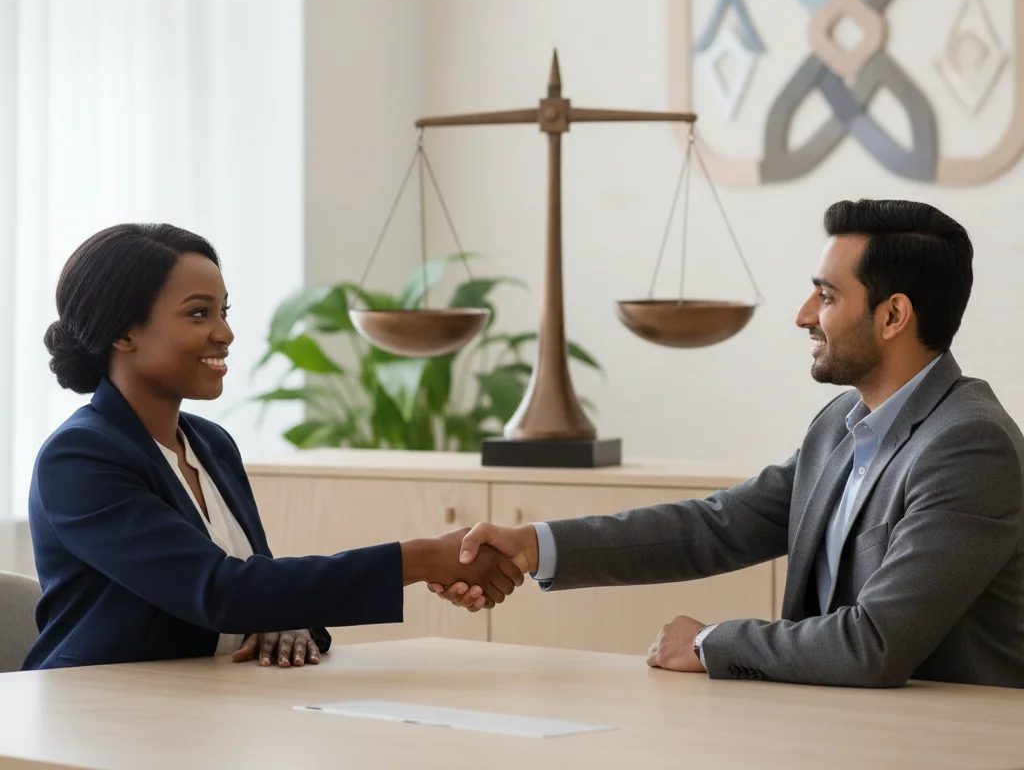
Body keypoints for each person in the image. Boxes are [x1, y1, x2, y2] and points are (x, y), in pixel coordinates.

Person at [432, 199, 1024, 688]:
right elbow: (718, 526)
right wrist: (536, 545)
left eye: (826, 296)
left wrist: (707, 641)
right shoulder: (843, 422)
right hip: (838, 728)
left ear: (893, 315)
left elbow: (876, 643)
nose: (802, 316)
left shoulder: (969, 447)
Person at [23, 224, 522, 671]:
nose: (225, 333)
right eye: (199, 313)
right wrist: (419, 558)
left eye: (224, 312)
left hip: (212, 702)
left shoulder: (210, 444)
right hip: (96, 709)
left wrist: (285, 618)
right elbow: (221, 592)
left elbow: (259, 586)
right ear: (123, 333)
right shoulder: (80, 458)